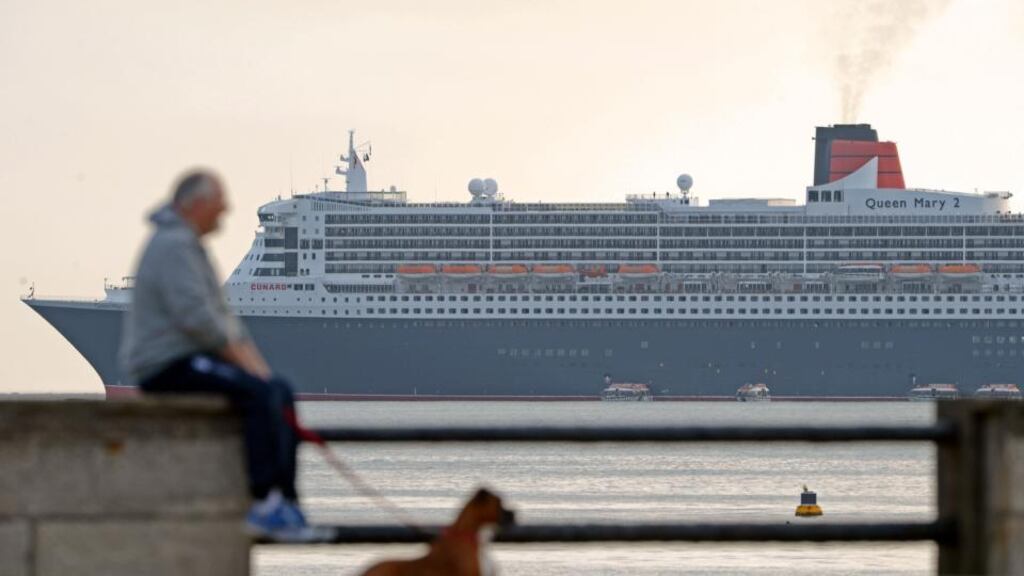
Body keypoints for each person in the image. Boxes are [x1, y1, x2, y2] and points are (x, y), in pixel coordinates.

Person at [119, 170, 309, 538]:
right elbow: (201, 321)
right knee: (258, 394)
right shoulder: (173, 245)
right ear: (198, 205)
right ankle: (263, 501)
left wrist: (261, 370)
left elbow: (225, 321)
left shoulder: (189, 244)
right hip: (167, 364)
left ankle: (287, 503)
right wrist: (249, 370)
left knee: (279, 390)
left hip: (193, 358)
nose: (226, 212)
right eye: (220, 205)